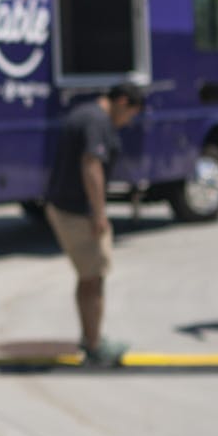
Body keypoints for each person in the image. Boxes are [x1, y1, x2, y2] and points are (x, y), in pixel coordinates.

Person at [44, 83, 145, 367]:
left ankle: (90, 336)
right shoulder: (97, 121)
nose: (129, 122)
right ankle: (95, 346)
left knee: (88, 276)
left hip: (69, 206)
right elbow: (92, 165)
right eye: (131, 114)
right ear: (122, 102)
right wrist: (99, 212)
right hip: (77, 211)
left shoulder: (87, 114)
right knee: (94, 278)